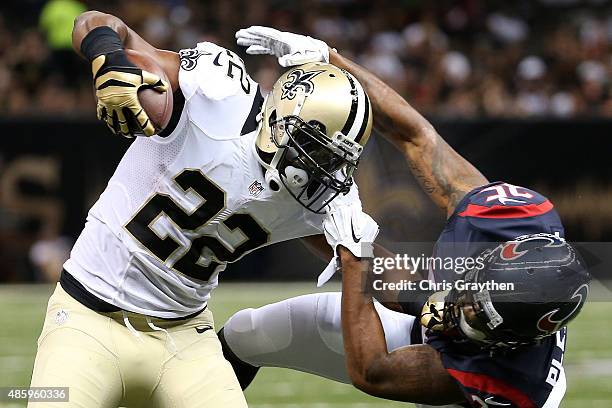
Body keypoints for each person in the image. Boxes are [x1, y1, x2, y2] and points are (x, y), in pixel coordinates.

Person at [218, 26, 591, 408]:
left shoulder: (511, 381)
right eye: (472, 295)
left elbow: (374, 370)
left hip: (466, 385)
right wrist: (331, 59)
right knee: (248, 332)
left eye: (480, 318)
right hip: (452, 334)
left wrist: (353, 256)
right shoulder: (504, 219)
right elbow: (414, 136)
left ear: (513, 342)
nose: (463, 310)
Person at [28, 13, 372, 408]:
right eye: (315, 149)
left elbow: (385, 275)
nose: (320, 169)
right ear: (282, 117)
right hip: (87, 319)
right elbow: (93, 22)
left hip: (185, 340)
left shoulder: (315, 194)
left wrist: (434, 290)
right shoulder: (218, 94)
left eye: (334, 159)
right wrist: (109, 57)